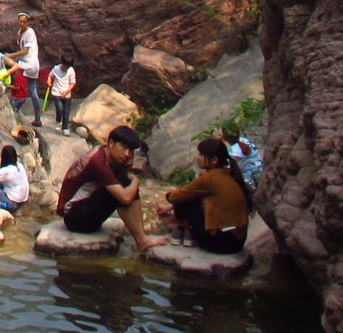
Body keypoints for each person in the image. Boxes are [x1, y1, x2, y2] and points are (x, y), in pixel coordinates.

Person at [57, 126, 164, 254]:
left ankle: (142, 237)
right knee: (124, 190)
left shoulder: (111, 156)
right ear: (111, 143)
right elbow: (125, 198)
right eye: (124, 148)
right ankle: (141, 239)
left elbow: (124, 181)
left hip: (85, 214)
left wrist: (127, 171)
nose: (127, 154)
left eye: (130, 150)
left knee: (126, 184)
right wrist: (136, 181)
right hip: (74, 218)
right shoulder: (98, 162)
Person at [158, 137, 252, 253]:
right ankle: (186, 229)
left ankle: (184, 228)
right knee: (191, 196)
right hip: (237, 242)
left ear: (214, 160)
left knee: (185, 200)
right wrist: (170, 207)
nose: (197, 157)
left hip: (221, 244)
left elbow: (174, 197)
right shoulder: (229, 173)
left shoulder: (209, 178)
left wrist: (170, 201)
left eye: (201, 155)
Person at [13, 12, 44, 124]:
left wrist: (10, 55)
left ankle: (37, 118)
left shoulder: (30, 32)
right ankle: (37, 118)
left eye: (24, 22)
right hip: (23, 61)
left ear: (28, 22)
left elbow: (26, 50)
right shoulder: (19, 32)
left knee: (33, 92)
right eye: (20, 21)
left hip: (30, 63)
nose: (21, 24)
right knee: (32, 90)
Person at [47, 58, 77, 132]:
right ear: (62, 63)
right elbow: (50, 75)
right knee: (60, 109)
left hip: (67, 95)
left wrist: (67, 91)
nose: (66, 68)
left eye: (67, 67)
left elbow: (73, 83)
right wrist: (49, 80)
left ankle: (65, 127)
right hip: (57, 93)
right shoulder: (56, 68)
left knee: (66, 113)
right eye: (65, 66)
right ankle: (58, 121)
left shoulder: (71, 70)